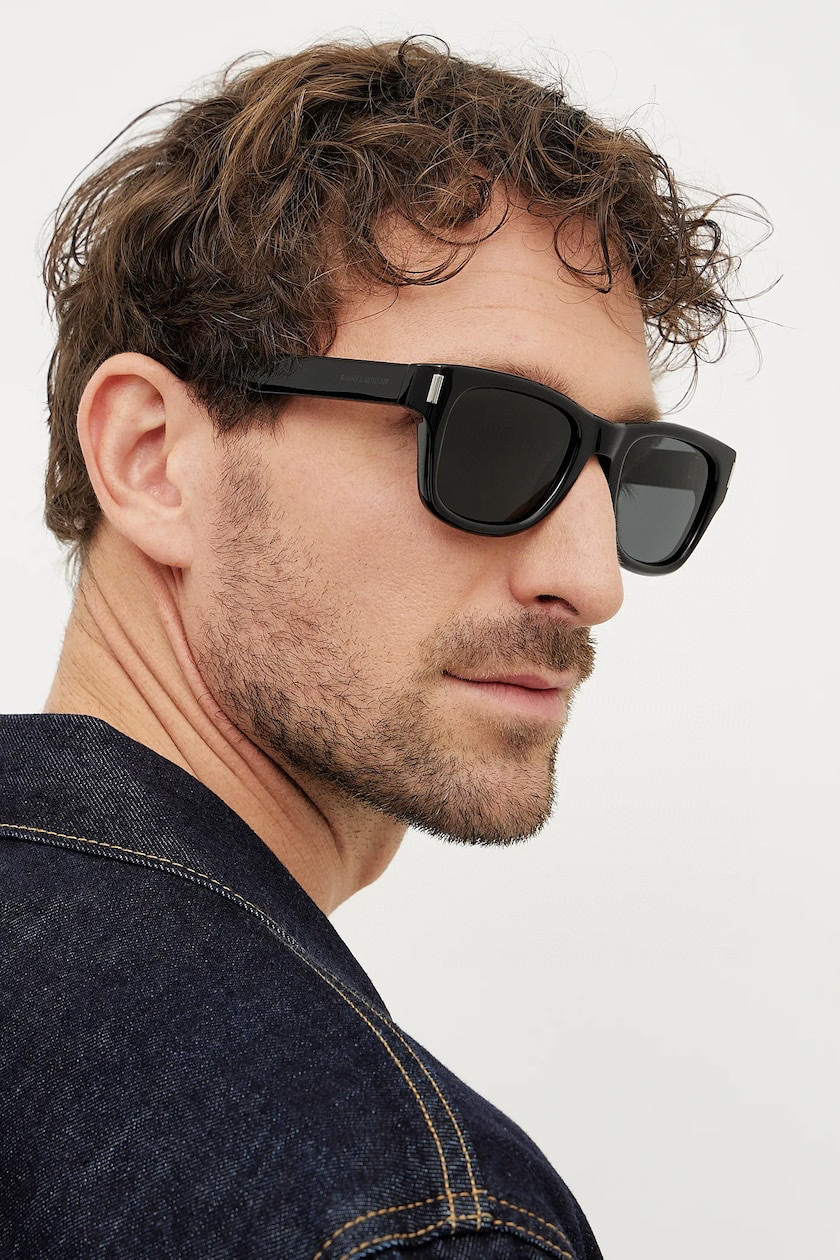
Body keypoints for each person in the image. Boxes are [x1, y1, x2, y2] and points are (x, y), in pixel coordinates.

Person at [0, 34, 749, 1258]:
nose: (592, 582)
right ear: (152, 459)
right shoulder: (392, 1203)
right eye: (493, 438)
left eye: (634, 474)